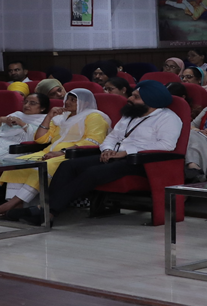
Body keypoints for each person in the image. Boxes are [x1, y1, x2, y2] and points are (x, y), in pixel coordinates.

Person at [13, 81, 182, 224]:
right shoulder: (131, 114)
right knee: (68, 165)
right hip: (113, 156)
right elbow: (112, 136)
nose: (129, 98)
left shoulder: (169, 118)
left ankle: (47, 212)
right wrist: (107, 149)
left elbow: (166, 145)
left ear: (151, 100)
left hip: (141, 162)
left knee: (92, 172)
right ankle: (46, 210)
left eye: (136, 97)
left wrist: (127, 152)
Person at [0, 88, 111, 220]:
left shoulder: (94, 117)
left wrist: (61, 152)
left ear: (85, 103)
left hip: (74, 155)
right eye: (67, 98)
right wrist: (49, 116)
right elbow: (41, 139)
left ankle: (6, 207)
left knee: (40, 167)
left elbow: (93, 141)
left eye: (73, 100)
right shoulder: (61, 117)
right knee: (18, 164)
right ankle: (16, 209)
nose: (67, 102)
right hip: (48, 151)